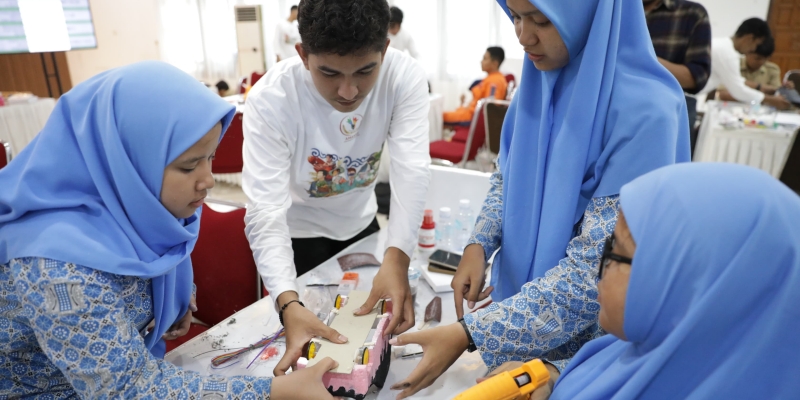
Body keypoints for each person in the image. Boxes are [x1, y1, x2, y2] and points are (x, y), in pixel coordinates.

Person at [388, 0, 689, 397]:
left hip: (585, 354)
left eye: (542, 20)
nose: (523, 36)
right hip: (515, 319)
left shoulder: (648, 112)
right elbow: (508, 175)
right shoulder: (538, 82)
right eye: (514, 15)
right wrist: (480, 242)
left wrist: (469, 333)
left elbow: (596, 272)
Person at [0, 61, 337, 399]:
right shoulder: (58, 265)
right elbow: (127, 390)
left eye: (210, 158)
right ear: (127, 162)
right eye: (189, 165)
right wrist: (275, 392)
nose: (207, 180)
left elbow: (161, 262)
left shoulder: (143, 207)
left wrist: (176, 302)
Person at [242, 0, 430, 379]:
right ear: (303, 54)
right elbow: (264, 210)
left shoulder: (403, 77)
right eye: (329, 72)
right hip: (297, 236)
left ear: (385, 50)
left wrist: (398, 257)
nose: (348, 91)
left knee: (367, 338)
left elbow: (412, 171)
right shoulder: (271, 100)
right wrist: (286, 300)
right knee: (312, 354)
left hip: (362, 227)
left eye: (365, 70)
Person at [545, 163, 800, 399]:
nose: (601, 271)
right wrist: (552, 376)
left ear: (690, 287)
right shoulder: (650, 349)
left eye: (616, 253)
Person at [643, 0, 711, 150]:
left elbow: (697, 77)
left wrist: (644, 57)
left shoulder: (691, 14)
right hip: (611, 109)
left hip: (666, 112)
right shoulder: (611, 11)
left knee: (664, 171)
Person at [698, 18, 791, 110]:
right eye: (756, 44)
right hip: (688, 97)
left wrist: (763, 88)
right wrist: (770, 100)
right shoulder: (728, 54)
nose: (753, 49)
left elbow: (737, 81)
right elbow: (738, 90)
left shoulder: (722, 45)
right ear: (749, 38)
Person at [719, 36, 795, 103]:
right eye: (757, 58)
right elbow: (723, 94)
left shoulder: (772, 69)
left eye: (766, 59)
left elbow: (776, 94)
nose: (761, 62)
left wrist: (785, 90)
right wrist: (763, 95)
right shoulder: (734, 64)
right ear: (747, 53)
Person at [443, 47, 508, 124]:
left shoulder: (495, 82)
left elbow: (489, 108)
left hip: (471, 117)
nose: (481, 61)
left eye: (485, 59)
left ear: (495, 63)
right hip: (469, 112)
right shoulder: (490, 78)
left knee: (441, 116)